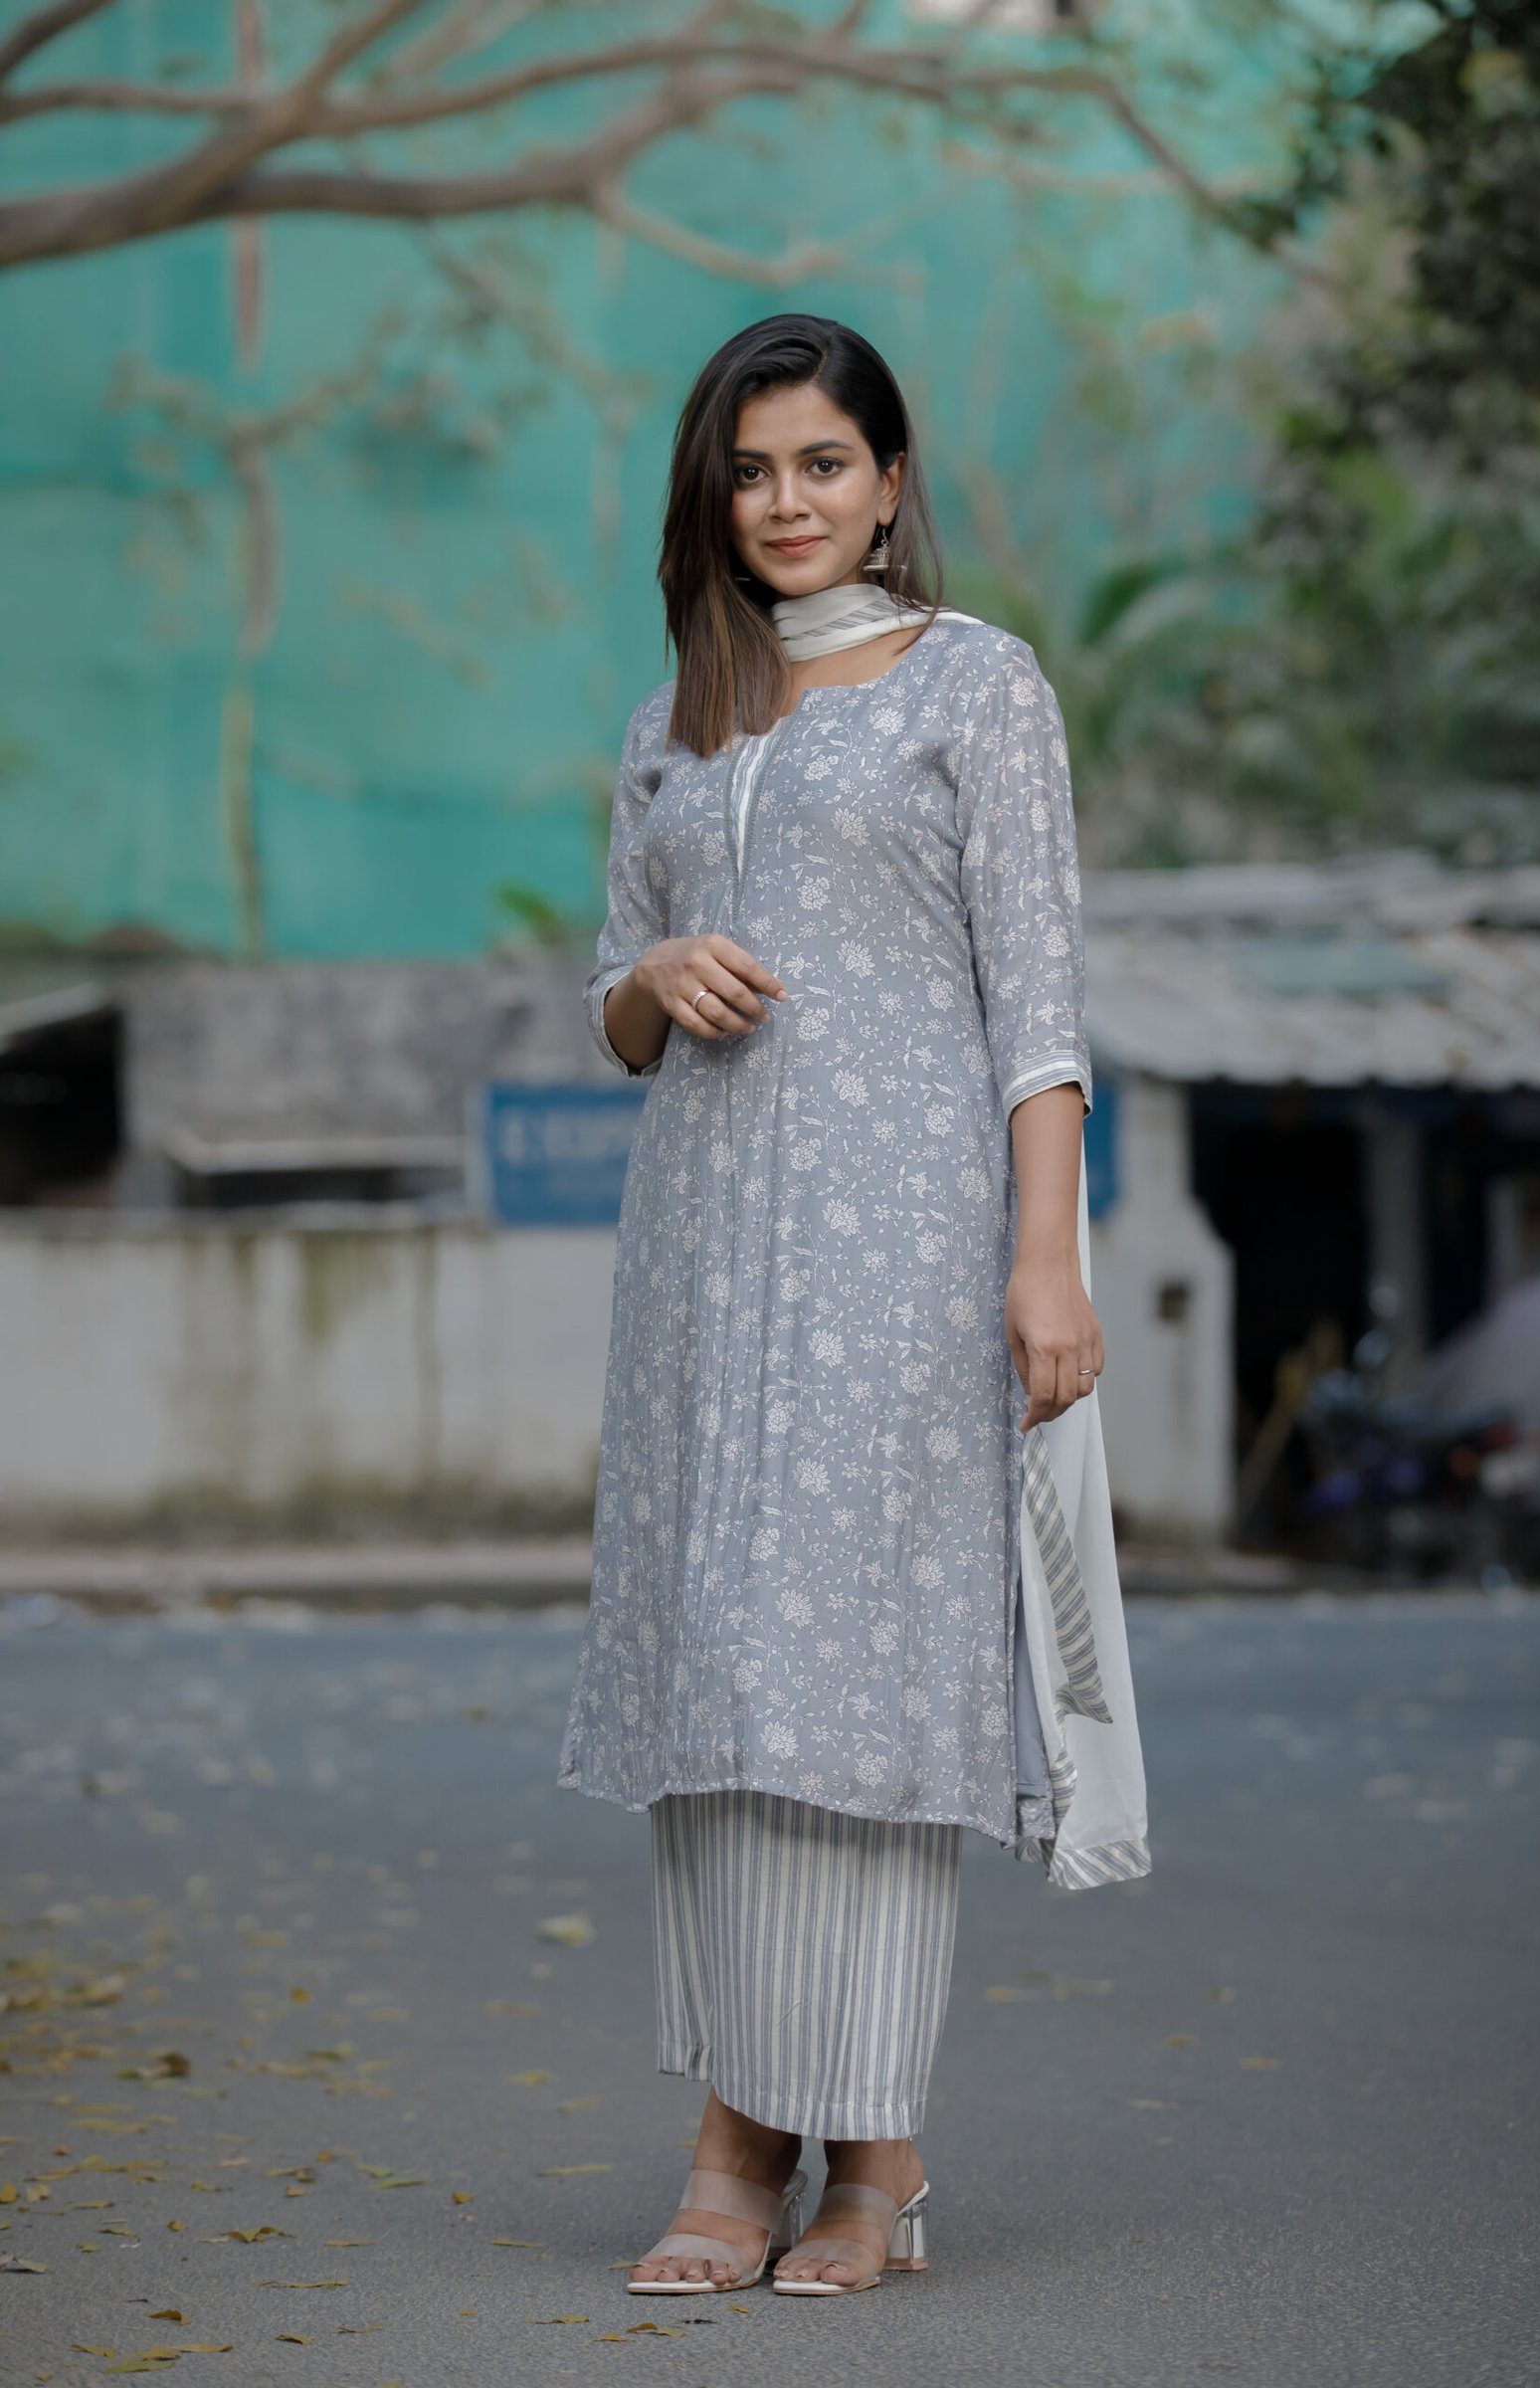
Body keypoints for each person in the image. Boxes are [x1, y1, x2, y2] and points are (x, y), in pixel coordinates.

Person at [558, 313, 1150, 2298]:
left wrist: (1045, 1257)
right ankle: (796, 2146)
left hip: (903, 1261)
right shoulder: (673, 719)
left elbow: (1037, 999)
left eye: (823, 462)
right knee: (718, 1673)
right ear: (709, 498)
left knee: (860, 1680)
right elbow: (613, 996)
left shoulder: (977, 684)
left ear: (890, 483)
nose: (787, 501)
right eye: (751, 470)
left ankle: (813, 2158)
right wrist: (658, 979)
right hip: (701, 1271)